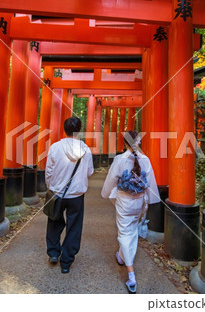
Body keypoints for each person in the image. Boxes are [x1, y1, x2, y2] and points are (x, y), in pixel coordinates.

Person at [101, 130, 160, 293]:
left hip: (124, 202)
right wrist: (151, 201)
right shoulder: (145, 159)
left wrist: (105, 194)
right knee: (131, 231)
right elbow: (151, 183)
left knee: (125, 233)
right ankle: (121, 255)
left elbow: (112, 179)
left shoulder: (120, 159)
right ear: (138, 142)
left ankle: (131, 276)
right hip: (139, 201)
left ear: (124, 143)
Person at [45, 117, 94, 274]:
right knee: (74, 227)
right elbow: (90, 172)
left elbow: (49, 171)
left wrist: (51, 187)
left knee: (54, 222)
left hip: (57, 193)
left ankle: (53, 253)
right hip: (77, 195)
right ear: (79, 130)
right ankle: (66, 262)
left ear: (64, 129)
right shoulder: (85, 150)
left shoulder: (55, 147)